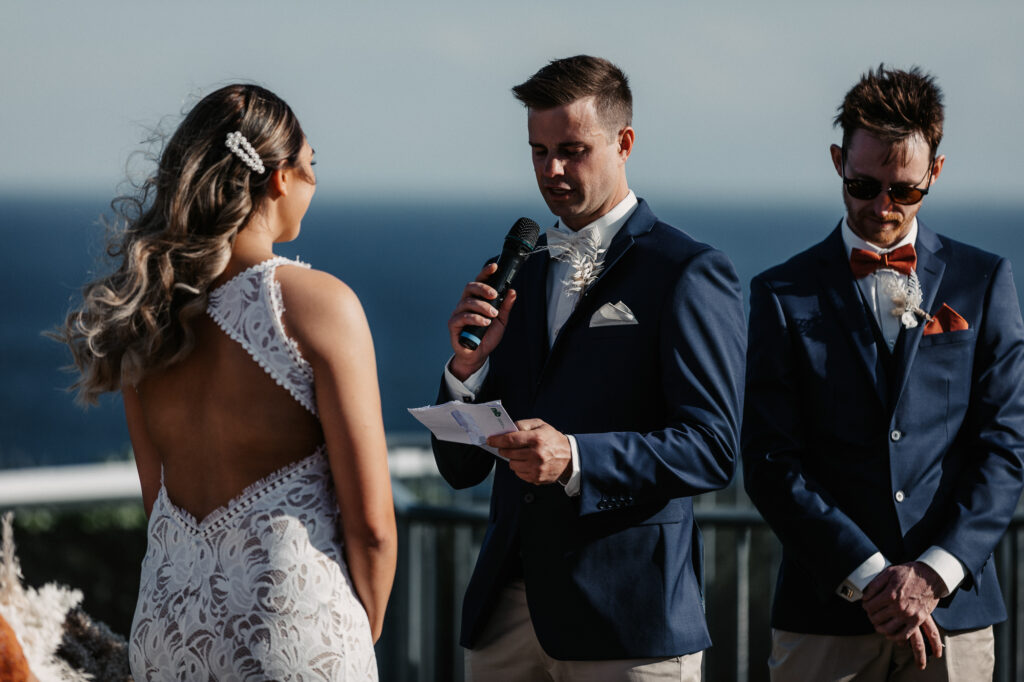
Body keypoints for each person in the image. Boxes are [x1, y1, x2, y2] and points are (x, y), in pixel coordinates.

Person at [54, 84, 396, 680]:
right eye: (311, 166)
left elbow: (155, 496)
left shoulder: (147, 315)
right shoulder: (319, 306)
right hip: (288, 628)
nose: (314, 184)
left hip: (166, 631)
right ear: (280, 178)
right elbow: (371, 527)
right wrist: (354, 631)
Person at [433, 55, 746, 680]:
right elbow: (460, 468)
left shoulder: (686, 271)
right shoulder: (520, 268)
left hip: (628, 619)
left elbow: (712, 448)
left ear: (624, 142)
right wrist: (465, 374)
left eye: (572, 149)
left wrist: (574, 458)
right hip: (506, 622)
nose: (551, 170)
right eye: (538, 150)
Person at [743, 64, 1024, 680]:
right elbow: (769, 460)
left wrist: (932, 573)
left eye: (905, 190)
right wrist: (873, 579)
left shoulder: (985, 281)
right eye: (864, 185)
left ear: (936, 174)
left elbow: (1004, 449)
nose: (882, 207)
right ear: (839, 161)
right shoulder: (781, 293)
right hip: (827, 614)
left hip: (955, 613)